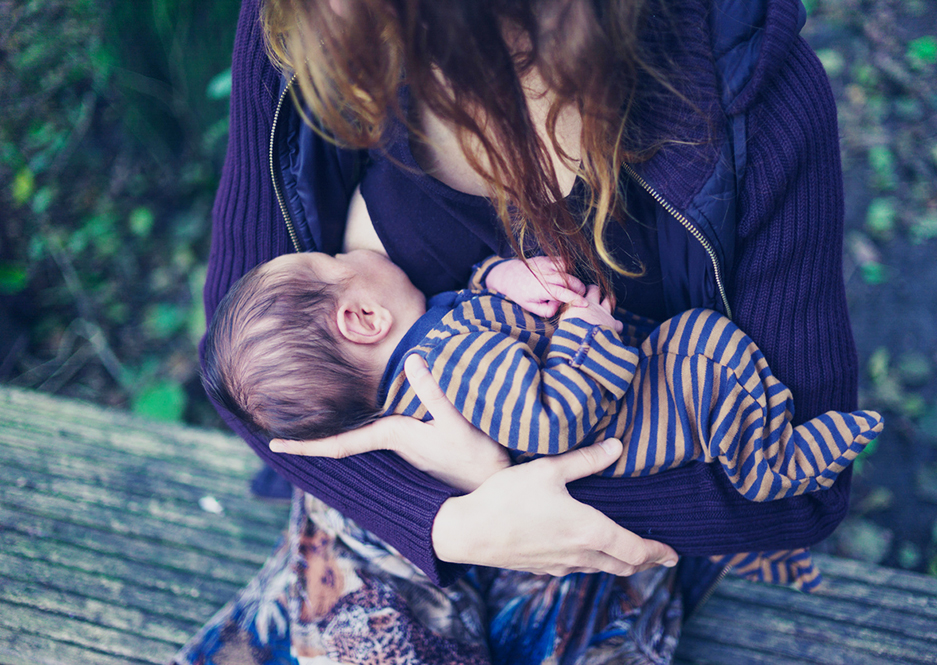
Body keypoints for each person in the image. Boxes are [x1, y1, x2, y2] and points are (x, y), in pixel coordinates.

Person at [176, 0, 860, 661]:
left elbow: (805, 493)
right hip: (382, 496)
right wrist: (445, 519)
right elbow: (247, 384)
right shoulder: (311, 20)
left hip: (606, 527)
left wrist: (507, 485)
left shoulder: (749, 98)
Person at [203, 246, 881, 502]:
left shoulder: (431, 347)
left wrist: (499, 276)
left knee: (708, 349)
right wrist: (586, 333)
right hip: (645, 416)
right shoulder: (451, 362)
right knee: (706, 352)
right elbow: (550, 421)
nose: (351, 250)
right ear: (361, 317)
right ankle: (769, 463)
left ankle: (766, 436)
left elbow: (472, 309)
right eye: (333, 258)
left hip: (632, 401)